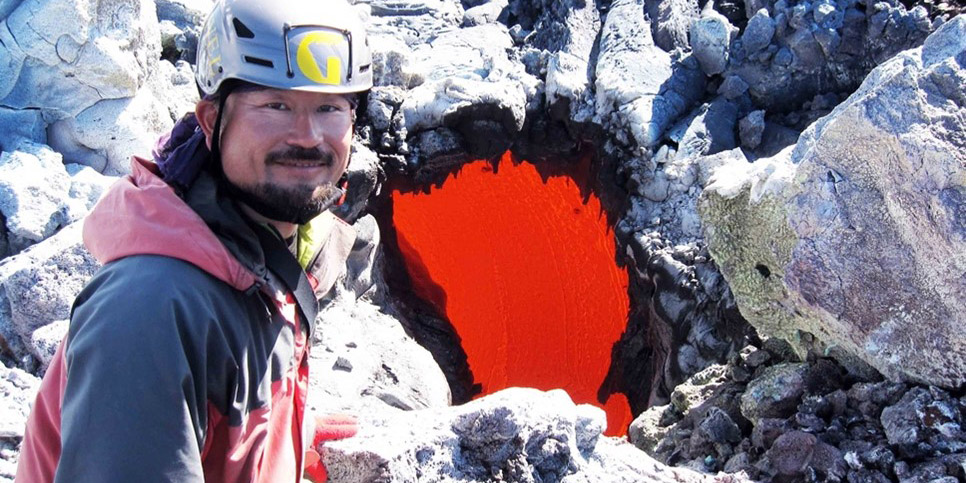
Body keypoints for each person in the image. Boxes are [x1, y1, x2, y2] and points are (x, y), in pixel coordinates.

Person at [16, 0, 371, 480]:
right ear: (209, 121)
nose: (308, 136)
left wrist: (285, 433)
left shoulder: (272, 248)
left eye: (329, 107)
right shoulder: (151, 313)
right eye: (276, 105)